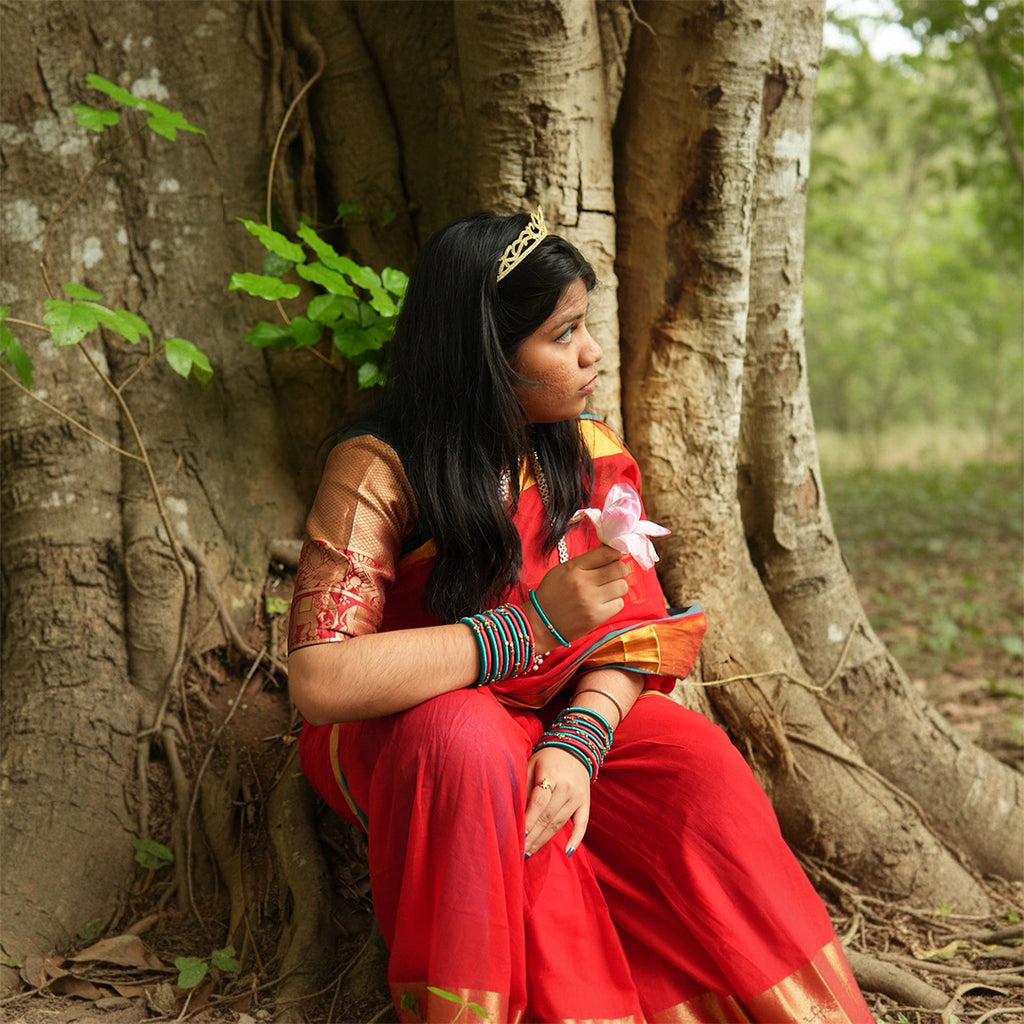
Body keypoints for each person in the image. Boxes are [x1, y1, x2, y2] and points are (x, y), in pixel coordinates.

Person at [287, 208, 874, 1023]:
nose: (593, 352)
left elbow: (636, 632)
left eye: (585, 325)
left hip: (561, 709)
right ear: (488, 355)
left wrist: (579, 741)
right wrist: (530, 628)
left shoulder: (585, 451)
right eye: (564, 335)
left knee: (699, 771)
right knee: (467, 748)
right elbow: (320, 678)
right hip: (411, 722)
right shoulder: (378, 468)